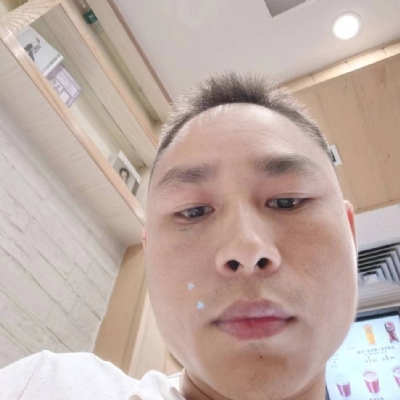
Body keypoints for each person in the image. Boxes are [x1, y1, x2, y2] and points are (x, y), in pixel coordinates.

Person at [0, 72, 358, 400]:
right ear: (149, 254)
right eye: (194, 211)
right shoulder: (44, 388)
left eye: (286, 201)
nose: (246, 248)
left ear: (350, 235)